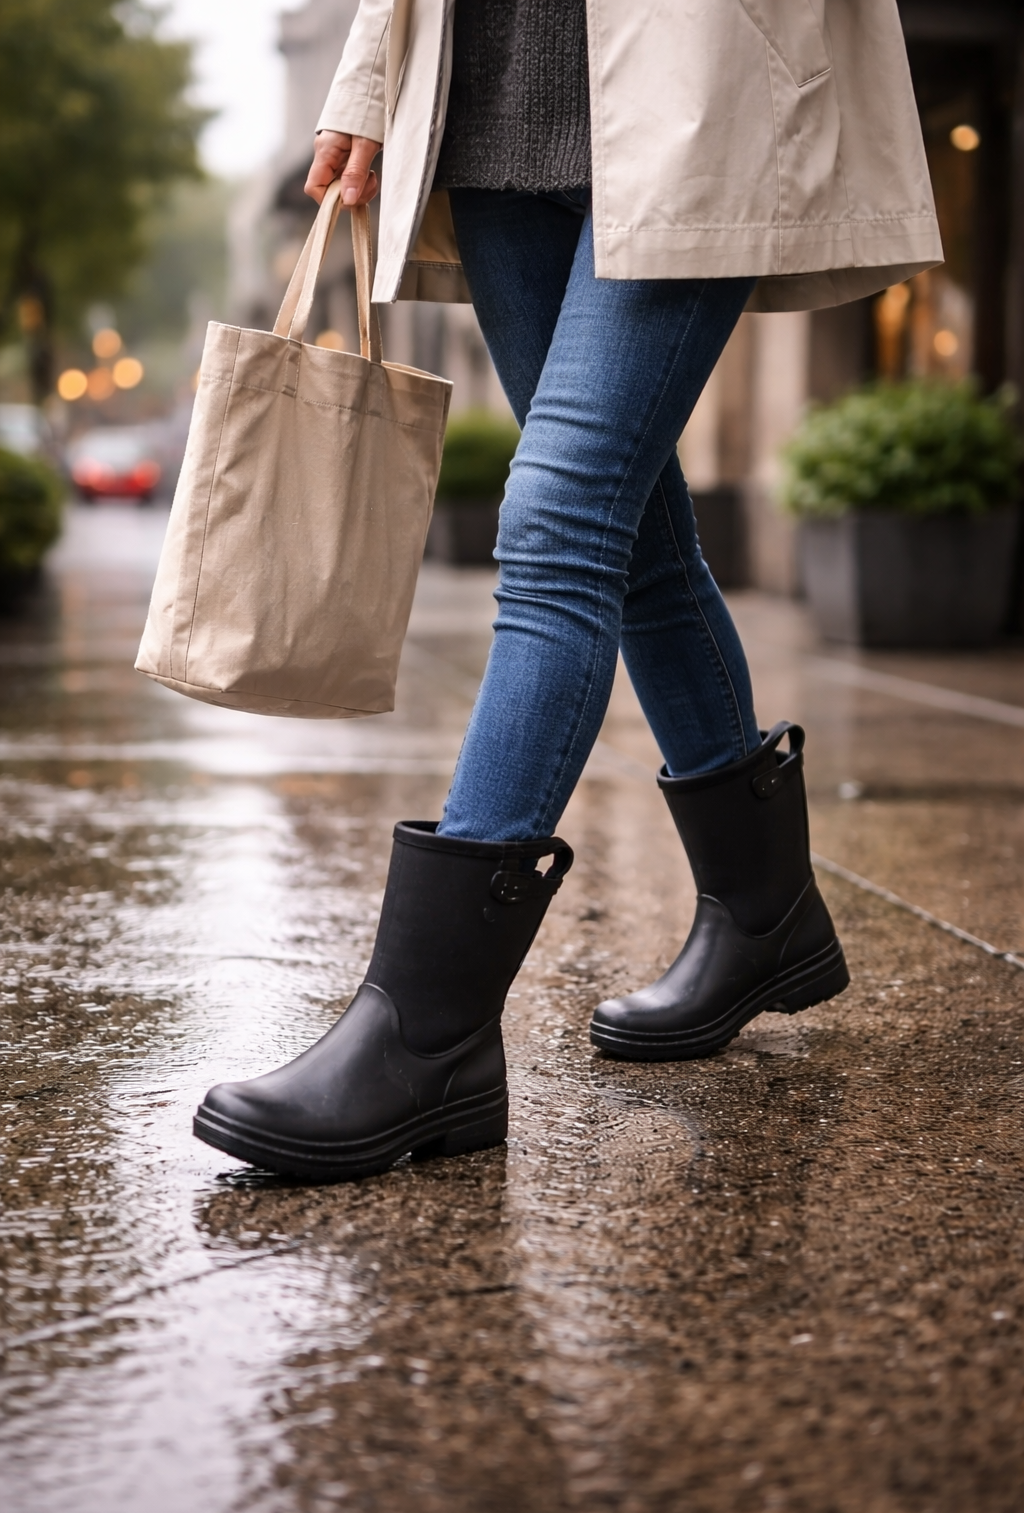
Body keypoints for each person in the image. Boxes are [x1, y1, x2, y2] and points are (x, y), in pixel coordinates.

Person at [192, 0, 942, 1181]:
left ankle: (425, 1033)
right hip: (491, 102)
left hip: (701, 88)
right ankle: (765, 919)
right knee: (631, 530)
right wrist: (364, 82)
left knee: (556, 524)